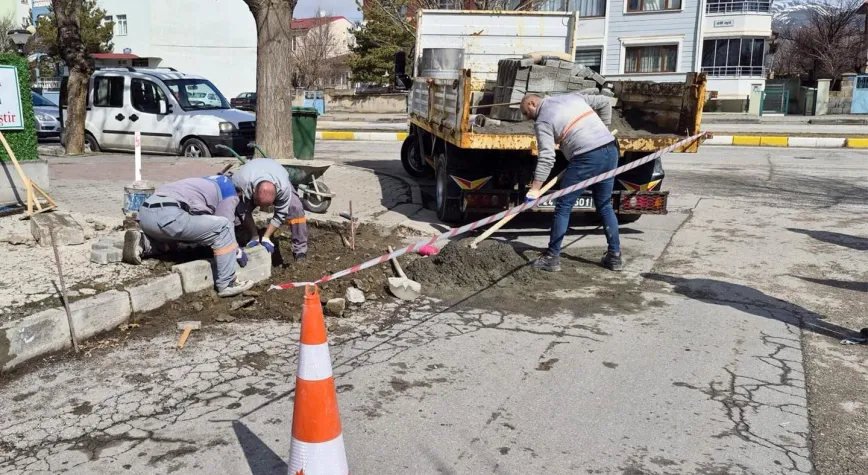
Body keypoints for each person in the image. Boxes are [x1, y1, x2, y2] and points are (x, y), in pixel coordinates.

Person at [520, 92, 622, 272]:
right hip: (611, 150)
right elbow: (605, 101)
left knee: (564, 206)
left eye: (526, 114)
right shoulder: (572, 97)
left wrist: (535, 189)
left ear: (532, 103)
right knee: (605, 205)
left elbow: (547, 157)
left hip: (587, 157)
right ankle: (615, 256)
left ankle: (551, 258)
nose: (528, 119)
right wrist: (604, 129)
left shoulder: (543, 121)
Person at [122, 175, 254, 297]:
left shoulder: (210, 182)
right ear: (240, 193)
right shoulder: (230, 193)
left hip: (145, 215)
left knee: (184, 238)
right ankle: (228, 283)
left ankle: (143, 243)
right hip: (168, 215)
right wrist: (235, 250)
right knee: (223, 227)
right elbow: (224, 222)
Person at [231, 158, 308, 260]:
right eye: (259, 204)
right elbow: (243, 211)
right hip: (249, 177)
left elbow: (280, 214)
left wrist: (266, 237)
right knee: (234, 210)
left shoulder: (283, 187)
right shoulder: (241, 183)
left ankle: (300, 250)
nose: (263, 208)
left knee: (295, 208)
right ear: (253, 191)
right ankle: (240, 239)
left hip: (277, 173)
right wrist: (254, 235)